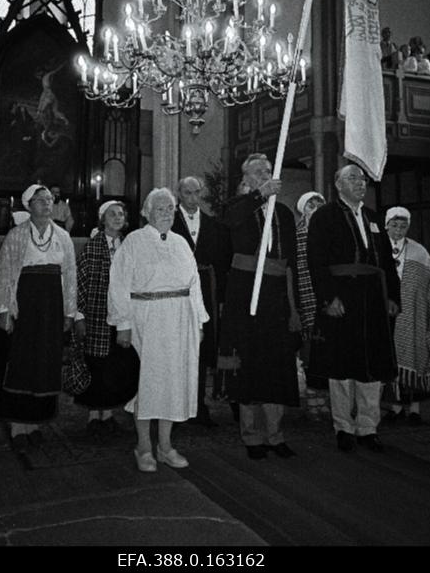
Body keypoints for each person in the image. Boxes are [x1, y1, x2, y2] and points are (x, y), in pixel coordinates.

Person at [107, 187, 209, 472]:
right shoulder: (134, 242)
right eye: (160, 208)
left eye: (170, 209)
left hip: (179, 321)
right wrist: (123, 325)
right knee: (147, 384)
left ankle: (165, 446)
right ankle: (143, 447)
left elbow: (194, 284)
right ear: (146, 212)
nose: (167, 213)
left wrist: (198, 321)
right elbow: (118, 286)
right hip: (146, 320)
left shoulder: (180, 243)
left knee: (172, 385)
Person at [306, 165, 400, 453]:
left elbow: (385, 261)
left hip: (373, 300)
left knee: (372, 365)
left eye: (362, 179)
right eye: (352, 178)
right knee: (342, 366)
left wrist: (392, 295)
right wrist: (329, 298)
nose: (360, 183)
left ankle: (368, 428)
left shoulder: (373, 217)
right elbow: (316, 261)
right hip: (342, 300)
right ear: (337, 184)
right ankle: (343, 427)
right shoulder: (324, 216)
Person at [218, 153, 300, 460]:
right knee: (250, 365)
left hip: (276, 296)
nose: (265, 174)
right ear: (247, 178)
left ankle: (275, 435)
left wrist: (293, 308)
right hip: (245, 294)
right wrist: (257, 196)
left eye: (268, 170)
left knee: (276, 365)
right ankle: (252, 437)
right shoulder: (237, 207)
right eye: (258, 172)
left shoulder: (285, 214)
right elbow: (229, 220)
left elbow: (290, 261)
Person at [0, 184, 77, 451]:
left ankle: (36, 422)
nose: (47, 204)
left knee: (44, 363)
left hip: (51, 308)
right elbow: (4, 274)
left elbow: (69, 276)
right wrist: (4, 311)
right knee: (21, 362)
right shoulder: (16, 236)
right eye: (40, 200)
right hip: (24, 308)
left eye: (49, 200)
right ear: (28, 205)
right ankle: (18, 426)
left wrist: (69, 312)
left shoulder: (62, 236)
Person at [73, 200, 138, 437]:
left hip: (122, 316)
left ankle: (108, 414)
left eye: (121, 214)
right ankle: (93, 415)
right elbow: (80, 282)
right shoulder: (93, 246)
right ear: (103, 219)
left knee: (115, 365)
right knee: (96, 365)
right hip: (97, 316)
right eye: (113, 214)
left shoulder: (129, 244)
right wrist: (79, 315)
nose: (118, 217)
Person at [172, 176, 230, 427]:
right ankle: (177, 404)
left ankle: (199, 403)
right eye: (187, 193)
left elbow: (223, 260)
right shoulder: (169, 221)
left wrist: (223, 297)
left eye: (196, 193)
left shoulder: (213, 225)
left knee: (204, 347)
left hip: (207, 288)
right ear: (179, 195)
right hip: (177, 291)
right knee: (179, 347)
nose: (193, 198)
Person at [384, 207, 430, 424]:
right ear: (386, 225)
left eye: (403, 226)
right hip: (387, 315)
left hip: (415, 315)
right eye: (394, 225)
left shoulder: (420, 252)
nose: (398, 230)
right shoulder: (379, 248)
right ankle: (395, 407)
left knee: (417, 357)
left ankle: (415, 409)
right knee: (390, 360)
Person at [295, 190, 329, 420]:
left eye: (318, 206)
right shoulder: (296, 236)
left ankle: (325, 398)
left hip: (325, 298)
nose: (314, 210)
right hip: (305, 299)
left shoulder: (329, 235)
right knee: (310, 352)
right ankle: (312, 399)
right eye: (310, 206)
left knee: (327, 352)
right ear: (303, 210)